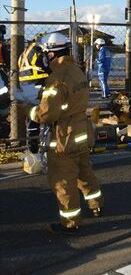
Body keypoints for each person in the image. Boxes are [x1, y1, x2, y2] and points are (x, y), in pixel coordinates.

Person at [30, 32, 103, 234]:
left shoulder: (56, 78)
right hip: (81, 131)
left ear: (51, 54)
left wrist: (30, 111)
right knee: (84, 171)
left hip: (65, 135)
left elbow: (46, 114)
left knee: (62, 179)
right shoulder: (76, 71)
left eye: (46, 54)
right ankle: (95, 205)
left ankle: (70, 223)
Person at [18, 40, 50, 154]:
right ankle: (48, 144)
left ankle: (32, 147)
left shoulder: (25, 53)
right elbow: (46, 67)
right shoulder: (39, 51)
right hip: (38, 84)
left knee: (32, 117)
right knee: (48, 111)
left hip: (25, 86)